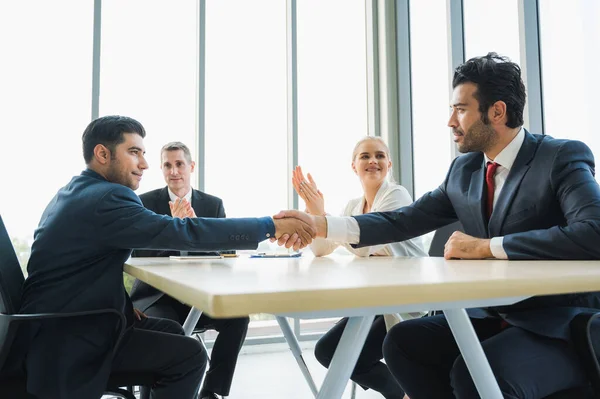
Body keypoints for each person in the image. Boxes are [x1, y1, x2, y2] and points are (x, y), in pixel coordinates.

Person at [277, 53, 600, 398]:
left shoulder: (559, 157)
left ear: (497, 111)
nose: (450, 121)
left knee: (472, 373)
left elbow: (593, 232)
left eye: (461, 109)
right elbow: (403, 220)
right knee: (402, 342)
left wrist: (486, 247)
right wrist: (321, 224)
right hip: (488, 315)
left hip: (554, 323)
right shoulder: (464, 171)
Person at [16, 115, 314, 399]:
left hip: (58, 324)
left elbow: (83, 264)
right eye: (134, 152)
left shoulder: (72, 192)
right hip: (73, 337)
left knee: (173, 331)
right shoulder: (109, 198)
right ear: (102, 154)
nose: (144, 164)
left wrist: (123, 306)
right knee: (191, 355)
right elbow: (184, 231)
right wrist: (269, 226)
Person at [292, 136, 425, 399]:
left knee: (356, 352)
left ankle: (410, 393)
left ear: (389, 164)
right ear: (354, 166)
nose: (373, 161)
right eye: (365, 156)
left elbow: (364, 241)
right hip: (375, 300)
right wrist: (315, 212)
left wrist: (324, 219)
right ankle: (405, 394)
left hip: (404, 299)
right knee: (327, 351)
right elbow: (322, 249)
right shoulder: (353, 206)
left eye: (379, 155)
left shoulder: (396, 195)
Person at [130, 141, 248, 399]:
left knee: (239, 318)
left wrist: (196, 233)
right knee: (166, 329)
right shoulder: (144, 203)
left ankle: (211, 391)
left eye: (179, 164)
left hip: (199, 295)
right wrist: (173, 230)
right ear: (161, 169)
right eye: (167, 165)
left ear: (191, 166)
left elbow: (224, 254)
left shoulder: (212, 205)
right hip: (157, 295)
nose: (174, 171)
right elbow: (140, 254)